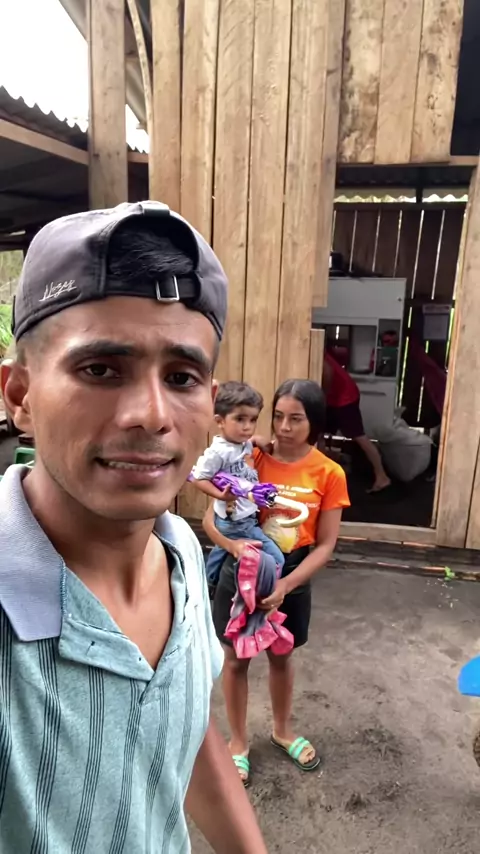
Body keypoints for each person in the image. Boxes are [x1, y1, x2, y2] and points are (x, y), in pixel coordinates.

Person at [0, 202, 267, 854]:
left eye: (181, 377)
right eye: (100, 369)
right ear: (19, 396)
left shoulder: (181, 554)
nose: (151, 414)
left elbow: (184, 734)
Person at [203, 379, 350, 786]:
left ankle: (282, 731)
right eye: (279, 417)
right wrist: (233, 548)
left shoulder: (329, 473)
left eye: (296, 419)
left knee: (282, 655)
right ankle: (238, 743)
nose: (284, 428)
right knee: (236, 658)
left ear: (314, 422)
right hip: (242, 568)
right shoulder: (248, 456)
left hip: (292, 575)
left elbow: (325, 546)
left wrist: (286, 585)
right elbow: (210, 520)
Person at [192, 380, 284, 593]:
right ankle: (261, 593)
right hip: (237, 521)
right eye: (240, 419)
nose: (247, 426)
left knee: (221, 549)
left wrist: (257, 441)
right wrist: (221, 496)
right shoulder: (218, 452)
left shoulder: (240, 442)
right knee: (276, 558)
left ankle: (208, 582)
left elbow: (248, 441)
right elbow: (198, 478)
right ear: (220, 421)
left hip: (239, 516)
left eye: (253, 420)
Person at [322, 350, 391, 492]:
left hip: (344, 398)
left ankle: (382, 477)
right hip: (340, 396)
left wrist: (322, 396)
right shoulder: (317, 349)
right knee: (318, 432)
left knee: (359, 437)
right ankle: (324, 472)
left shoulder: (315, 351)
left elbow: (328, 372)